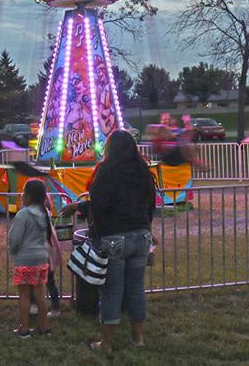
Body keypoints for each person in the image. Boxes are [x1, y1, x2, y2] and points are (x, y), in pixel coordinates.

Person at [89, 130, 156, 351]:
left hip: (114, 236)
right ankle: (138, 339)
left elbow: (97, 204)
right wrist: (146, 226)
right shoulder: (143, 171)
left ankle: (106, 343)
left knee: (112, 291)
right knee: (136, 289)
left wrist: (97, 231)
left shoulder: (105, 171)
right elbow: (150, 204)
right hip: (141, 235)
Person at [8, 178, 52, 338]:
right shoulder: (45, 212)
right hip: (42, 259)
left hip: (25, 259)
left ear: (28, 196)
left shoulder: (23, 215)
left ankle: (24, 328)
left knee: (25, 294)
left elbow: (15, 239)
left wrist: (12, 250)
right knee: (40, 294)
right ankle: (44, 326)